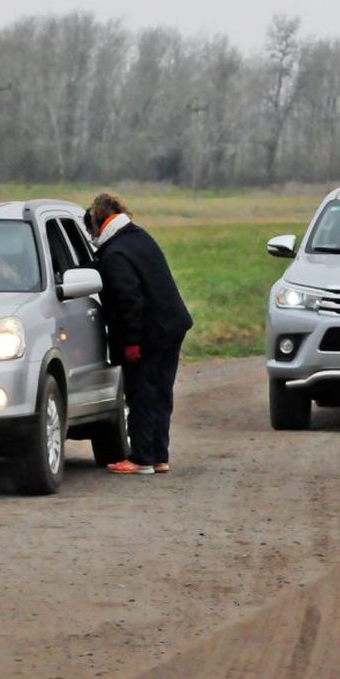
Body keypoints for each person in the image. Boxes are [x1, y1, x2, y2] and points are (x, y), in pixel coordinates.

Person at [86, 193, 194, 475]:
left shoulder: (115, 254)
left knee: (141, 393)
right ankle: (159, 457)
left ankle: (141, 459)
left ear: (98, 223)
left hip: (148, 333)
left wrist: (131, 343)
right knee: (160, 393)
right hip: (171, 326)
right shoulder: (137, 237)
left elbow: (129, 301)